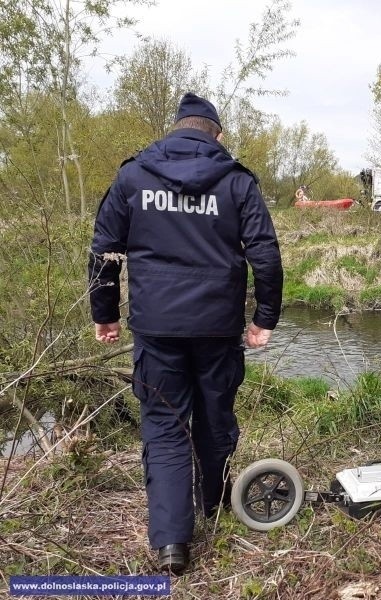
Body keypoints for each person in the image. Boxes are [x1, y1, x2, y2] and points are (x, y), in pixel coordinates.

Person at [88, 92, 283, 574]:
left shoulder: (134, 177)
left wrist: (105, 312)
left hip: (157, 326)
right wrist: (265, 319)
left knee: (165, 424)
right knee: (214, 415)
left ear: (175, 129)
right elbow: (266, 254)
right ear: (215, 133)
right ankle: (213, 503)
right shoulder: (236, 181)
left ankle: (173, 543)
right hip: (218, 327)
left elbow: (105, 251)